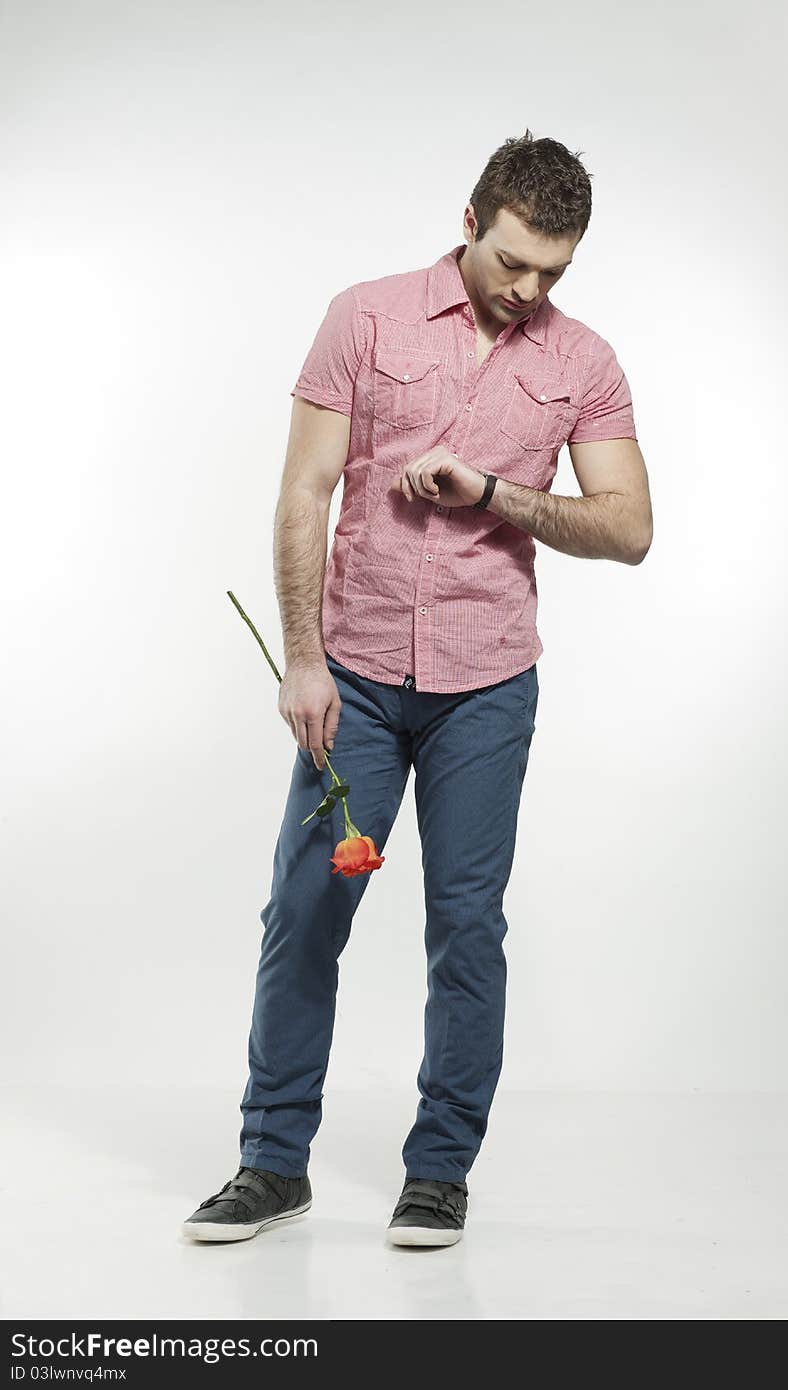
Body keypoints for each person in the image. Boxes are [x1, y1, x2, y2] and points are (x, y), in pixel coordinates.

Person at [181, 129, 652, 1249]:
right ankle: (271, 1161)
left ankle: (438, 1170)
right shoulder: (367, 314)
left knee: (465, 926)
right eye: (512, 263)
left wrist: (495, 490)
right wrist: (301, 656)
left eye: (553, 272)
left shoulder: (582, 361)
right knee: (304, 908)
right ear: (469, 220)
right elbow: (304, 491)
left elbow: (628, 528)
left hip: (487, 683)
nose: (527, 290)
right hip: (352, 670)